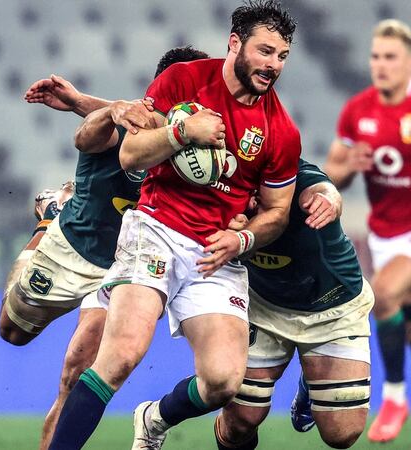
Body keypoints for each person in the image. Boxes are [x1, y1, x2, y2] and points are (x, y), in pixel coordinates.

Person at [47, 2, 301, 449]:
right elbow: (129, 154)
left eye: (282, 56)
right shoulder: (183, 79)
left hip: (215, 253)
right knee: (121, 356)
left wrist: (243, 237)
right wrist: (183, 133)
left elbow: (277, 212)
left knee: (223, 381)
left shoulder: (280, 129)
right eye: (265, 51)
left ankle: (154, 420)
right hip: (156, 229)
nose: (273, 65)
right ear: (235, 44)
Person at [3, 47, 210, 449]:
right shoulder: (126, 125)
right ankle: (51, 214)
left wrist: (81, 100)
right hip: (78, 245)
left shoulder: (202, 145)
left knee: (77, 370)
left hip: (130, 259)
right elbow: (86, 135)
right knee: (11, 332)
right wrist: (102, 109)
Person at [147, 158, 369, 450]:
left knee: (342, 434)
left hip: (332, 307)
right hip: (262, 307)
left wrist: (327, 200)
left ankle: (309, 382)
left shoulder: (297, 181)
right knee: (240, 422)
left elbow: (324, 190)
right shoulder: (216, 188)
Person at [324, 18, 411, 449]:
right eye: (375, 56)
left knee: (381, 294)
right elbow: (332, 172)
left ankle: (395, 398)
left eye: (390, 57)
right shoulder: (358, 110)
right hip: (386, 237)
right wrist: (350, 166)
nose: (381, 65)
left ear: (410, 62)